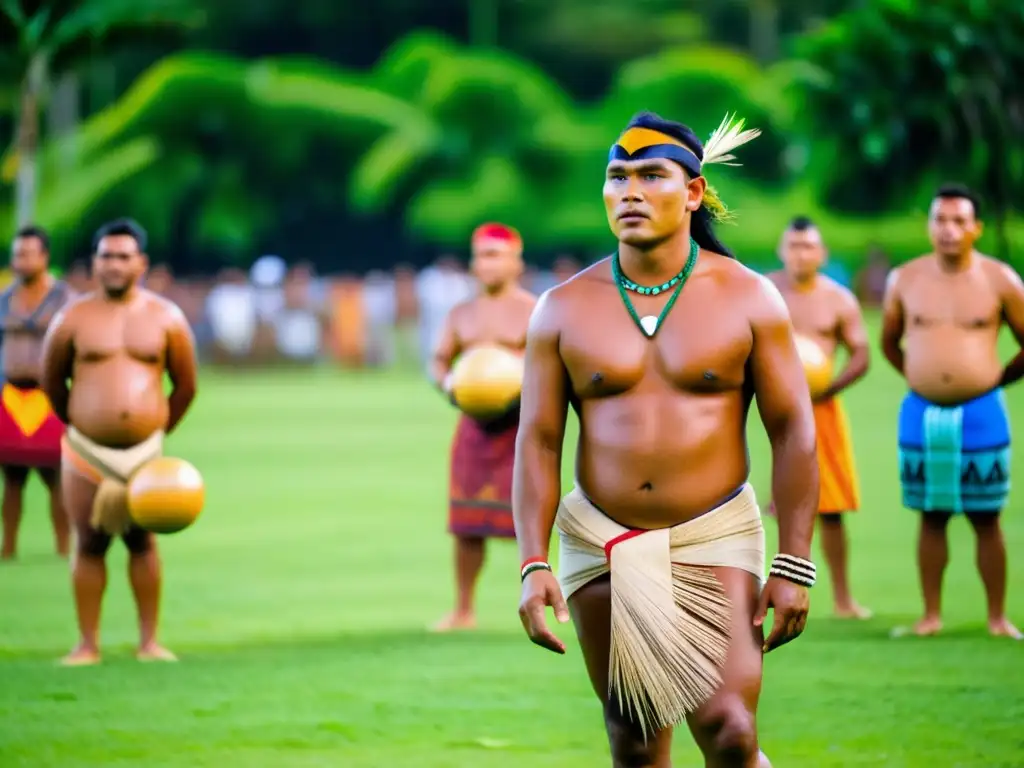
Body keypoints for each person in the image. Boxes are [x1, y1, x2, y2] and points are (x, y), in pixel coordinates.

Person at [514, 112, 819, 767]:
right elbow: (538, 441)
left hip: (714, 532)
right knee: (636, 738)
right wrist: (532, 563)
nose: (629, 191)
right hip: (602, 537)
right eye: (616, 176)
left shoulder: (751, 298)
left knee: (732, 731)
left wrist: (794, 561)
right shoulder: (561, 308)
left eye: (651, 175)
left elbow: (793, 430)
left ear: (693, 192)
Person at [41, 218, 199, 665]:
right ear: (94, 263)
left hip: (145, 452)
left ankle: (149, 641)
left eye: (123, 256)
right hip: (87, 451)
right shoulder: (72, 317)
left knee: (142, 543)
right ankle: (87, 644)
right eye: (106, 256)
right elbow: (53, 382)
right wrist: (85, 423)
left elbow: (185, 385)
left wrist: (155, 431)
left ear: (141, 263)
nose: (114, 264)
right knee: (89, 543)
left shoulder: (166, 317)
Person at [881, 183, 1024, 640]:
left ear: (976, 228)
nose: (949, 229)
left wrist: (993, 378)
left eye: (959, 221)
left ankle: (998, 617)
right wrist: (921, 375)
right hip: (921, 413)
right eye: (940, 219)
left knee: (987, 516)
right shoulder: (904, 278)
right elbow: (889, 340)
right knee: (931, 513)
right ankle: (931, 615)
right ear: (929, 226)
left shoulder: (1001, 279)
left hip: (982, 411)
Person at [430, 223, 536, 632]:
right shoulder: (461, 314)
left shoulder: (535, 309)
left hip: (520, 427)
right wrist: (448, 384)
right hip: (472, 426)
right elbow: (438, 360)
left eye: (494, 255)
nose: (485, 264)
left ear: (516, 261)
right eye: (479, 255)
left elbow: (552, 360)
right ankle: (463, 608)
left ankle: (535, 602)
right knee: (466, 525)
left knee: (525, 521)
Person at [767, 216, 871, 619]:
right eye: (793, 246)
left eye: (808, 246)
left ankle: (843, 598)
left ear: (822, 253)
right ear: (782, 251)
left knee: (830, 507)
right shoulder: (765, 293)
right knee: (774, 505)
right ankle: (769, 590)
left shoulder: (838, 299)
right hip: (769, 409)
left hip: (822, 411)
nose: (800, 253)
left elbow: (861, 354)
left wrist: (829, 388)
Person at [0, 226, 74, 559]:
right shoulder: (4, 300)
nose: (21, 261)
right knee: (12, 478)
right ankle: (9, 547)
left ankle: (63, 548)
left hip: (49, 396)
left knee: (55, 478)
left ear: (44, 256)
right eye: (17, 254)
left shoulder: (64, 299)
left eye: (28, 254)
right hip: (12, 396)